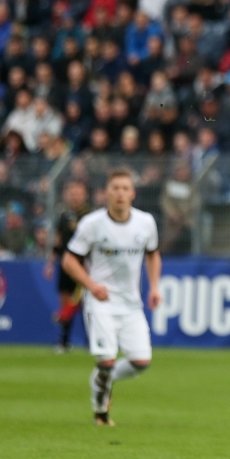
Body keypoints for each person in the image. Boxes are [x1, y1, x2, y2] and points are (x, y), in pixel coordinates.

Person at [61, 168, 161, 426]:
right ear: (106, 193)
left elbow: (152, 253)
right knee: (105, 359)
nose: (120, 193)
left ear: (133, 194)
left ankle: (104, 378)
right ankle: (100, 412)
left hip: (131, 304)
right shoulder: (92, 225)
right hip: (101, 302)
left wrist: (154, 287)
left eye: (125, 188)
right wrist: (91, 285)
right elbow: (69, 260)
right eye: (115, 188)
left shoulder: (146, 222)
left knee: (141, 361)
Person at [47, 180, 91, 353]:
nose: (75, 196)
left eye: (78, 192)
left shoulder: (90, 216)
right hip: (64, 265)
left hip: (82, 265)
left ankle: (91, 342)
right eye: (72, 192)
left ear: (84, 195)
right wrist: (50, 263)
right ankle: (64, 342)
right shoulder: (64, 215)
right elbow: (58, 240)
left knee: (87, 305)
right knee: (65, 301)